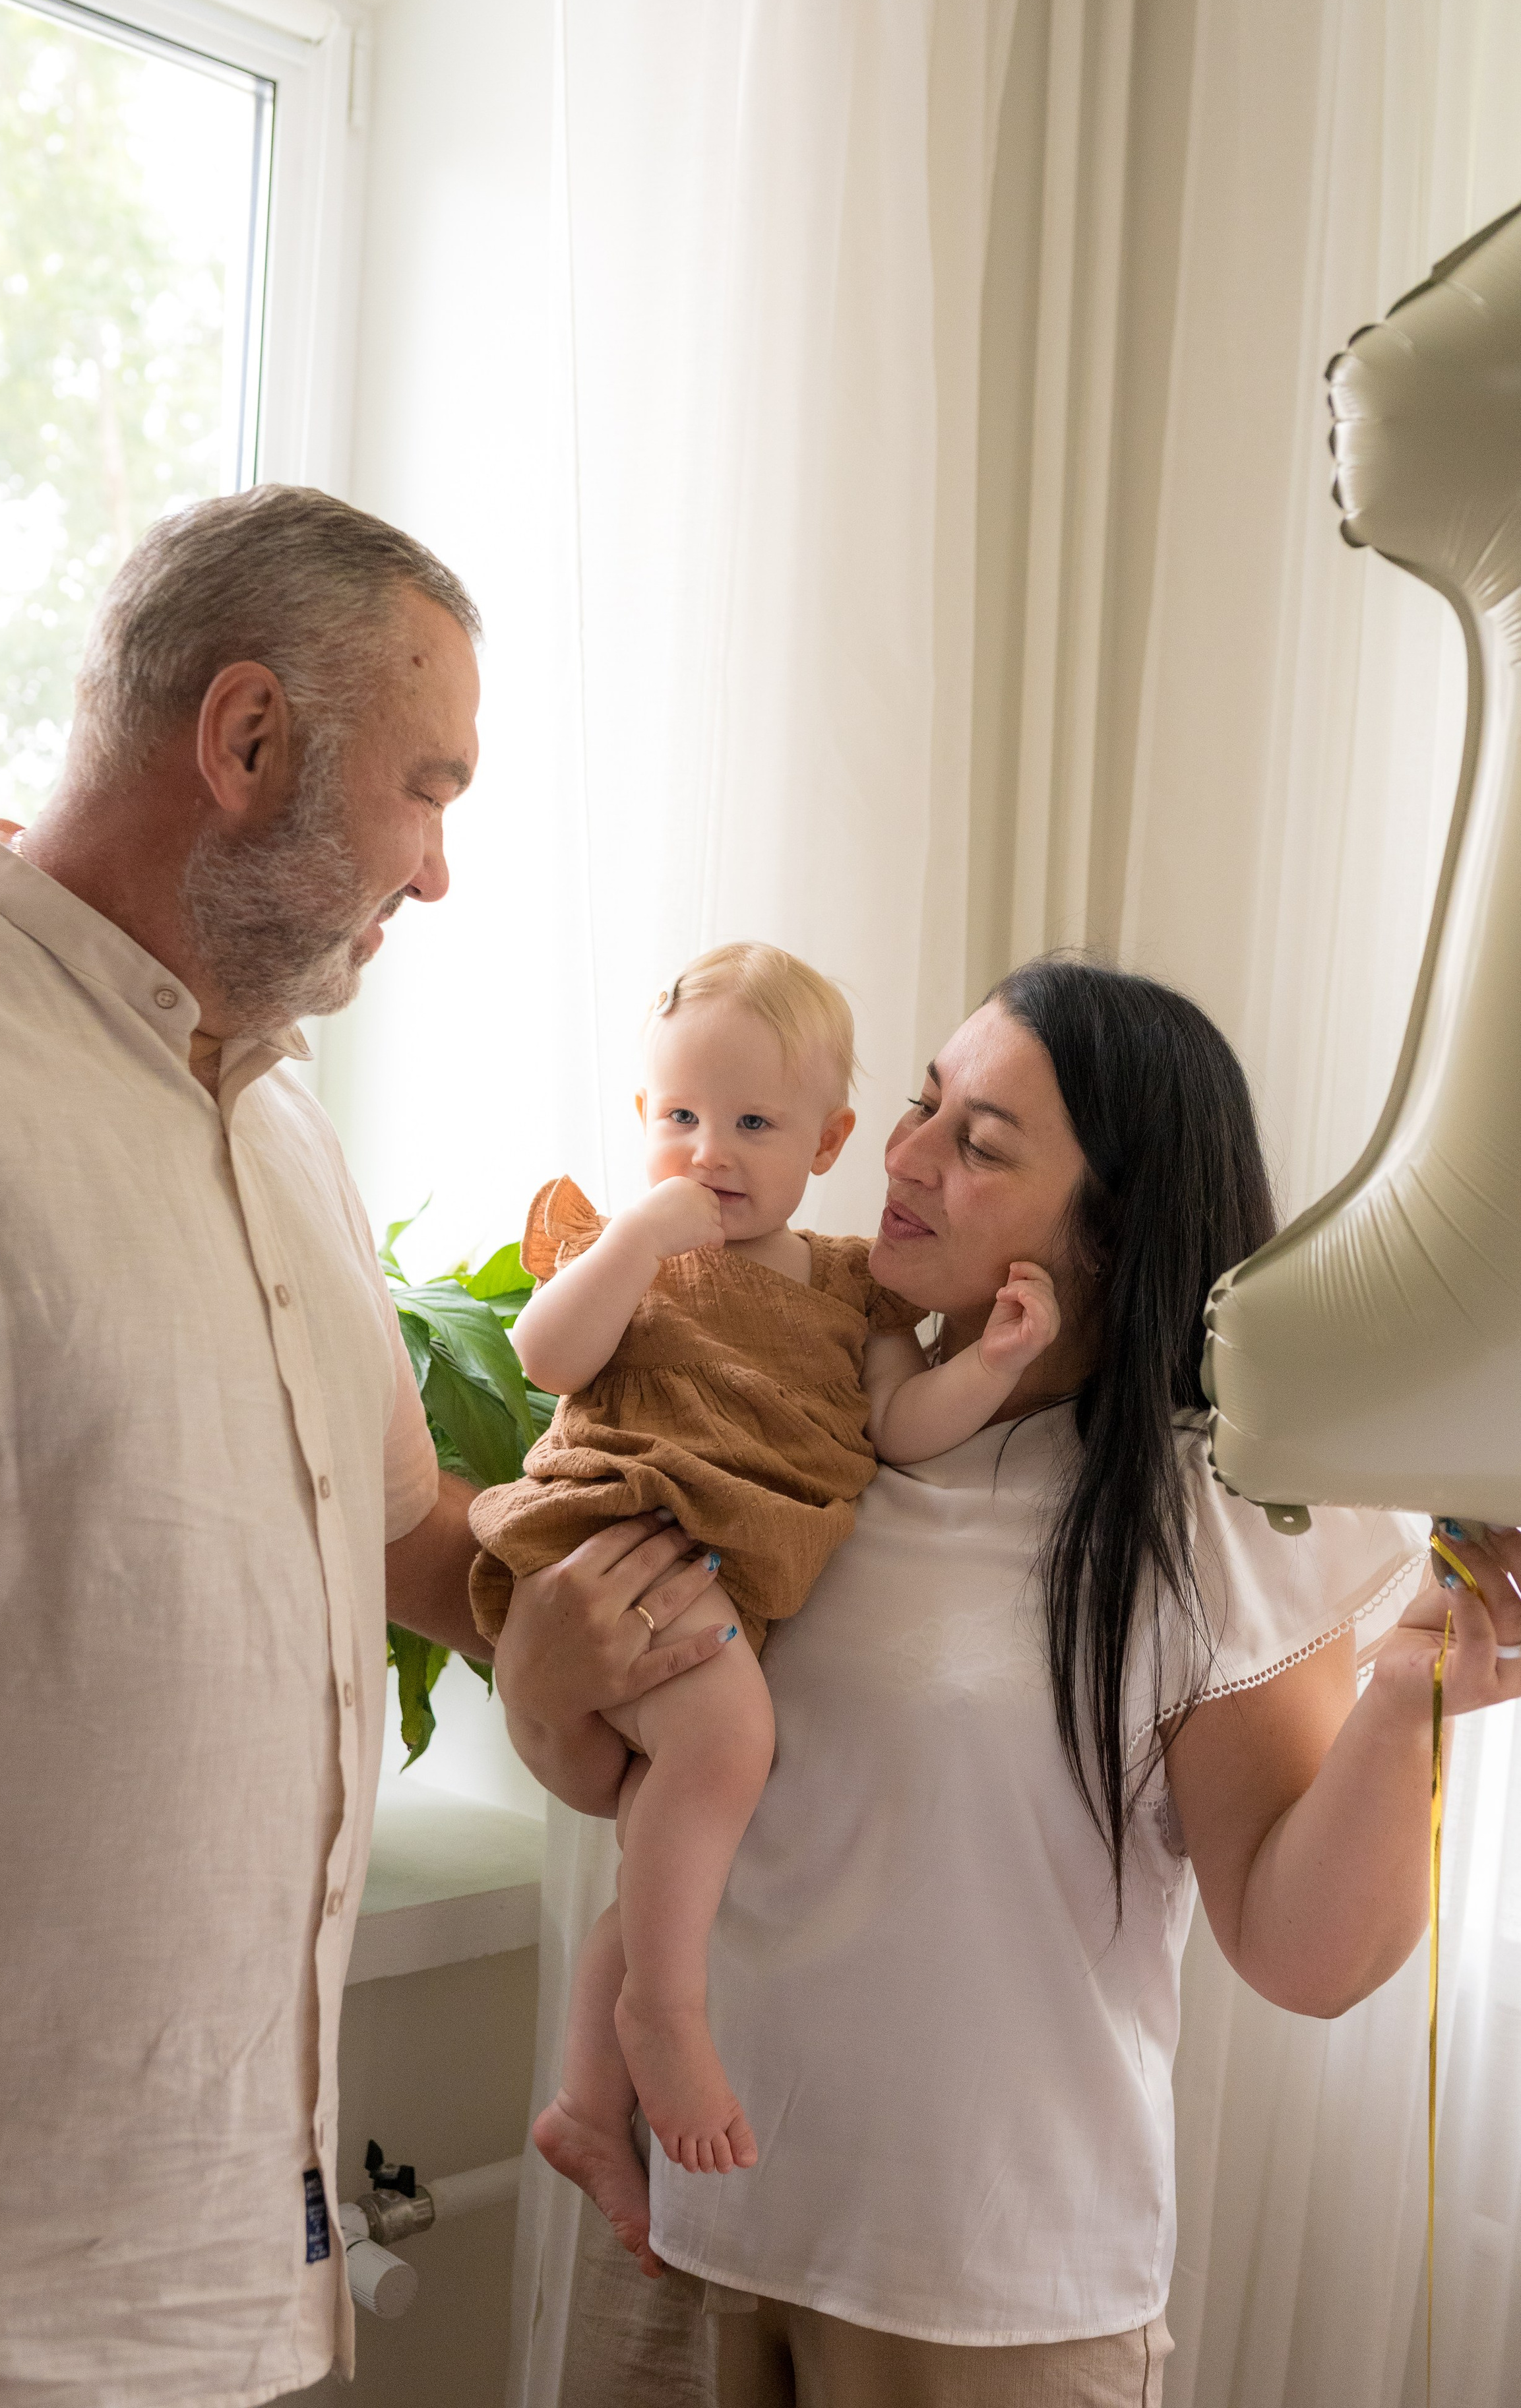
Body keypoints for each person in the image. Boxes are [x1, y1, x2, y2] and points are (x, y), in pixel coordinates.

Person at [0, 485, 720, 2408]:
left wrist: (663, 1600)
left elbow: (410, 1536)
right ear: (243, 741)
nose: (441, 872)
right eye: (430, 787)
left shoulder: (285, 1125)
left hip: (230, 2286)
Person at [495, 957, 1521, 2408]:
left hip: (976, 2296)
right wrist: (539, 1682)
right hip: (687, 2231)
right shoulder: (810, 1426)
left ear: (1106, 1230)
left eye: (978, 1144)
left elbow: (1304, 1954)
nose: (902, 1154)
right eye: (923, 1104)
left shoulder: (1191, 1508)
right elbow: (646, 1779)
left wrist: (1408, 1688)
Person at [469, 943, 1058, 2265]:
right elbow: (543, 1355)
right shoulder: (643, 1255)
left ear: (831, 1140)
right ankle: (661, 2022)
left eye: (748, 1124)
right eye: (676, 1119)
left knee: (667, 1845)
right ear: (641, 1123)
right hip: (626, 1534)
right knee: (728, 1751)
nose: (706, 1154)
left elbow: (903, 1424)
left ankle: (581, 2106)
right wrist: (632, 1241)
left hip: (723, 1579)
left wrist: (999, 1361)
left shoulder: (850, 1288)